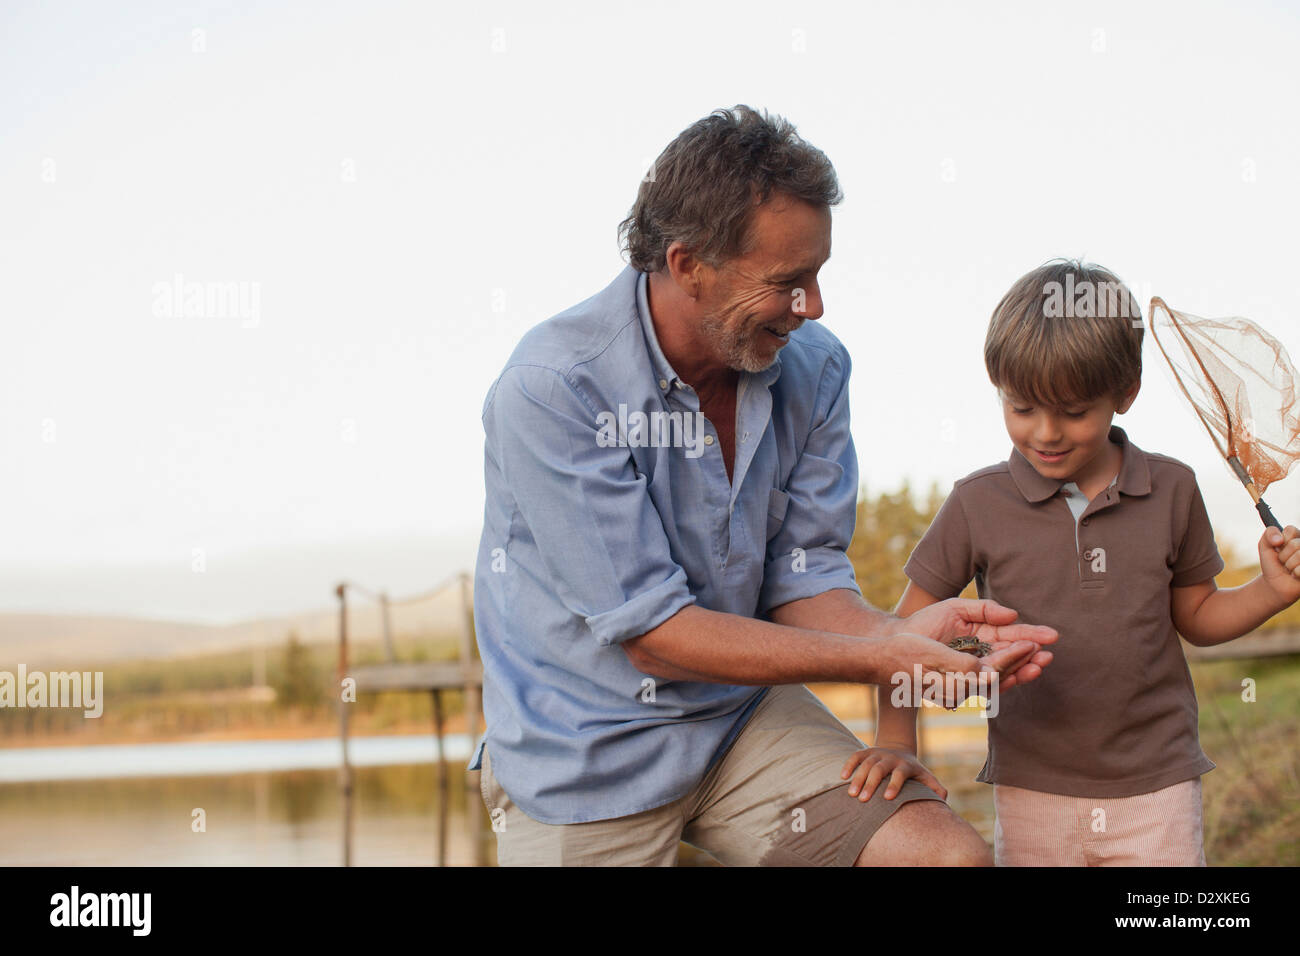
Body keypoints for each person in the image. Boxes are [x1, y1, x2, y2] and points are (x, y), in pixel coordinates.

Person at [469, 105, 1056, 867]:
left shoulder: (816, 367)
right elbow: (656, 637)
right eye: (788, 282)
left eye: (817, 274)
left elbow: (802, 579)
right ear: (688, 265)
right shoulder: (552, 390)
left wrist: (901, 638)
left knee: (945, 858)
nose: (813, 306)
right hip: (580, 757)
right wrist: (881, 662)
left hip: (738, 722)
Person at [842, 259, 1300, 865]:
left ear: (1125, 393)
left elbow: (1198, 615)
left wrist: (1270, 591)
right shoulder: (976, 502)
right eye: (1022, 407)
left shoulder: (1174, 489)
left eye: (1074, 411)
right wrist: (898, 741)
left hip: (1157, 784)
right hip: (1030, 784)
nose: (1046, 433)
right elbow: (904, 636)